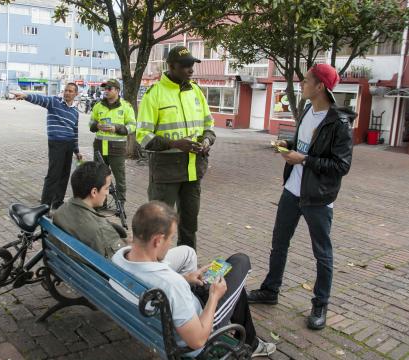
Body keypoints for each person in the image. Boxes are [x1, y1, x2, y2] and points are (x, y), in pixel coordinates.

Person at [247, 64, 355, 330]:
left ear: (320, 87)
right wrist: (289, 148)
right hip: (292, 191)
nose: (302, 85)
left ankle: (320, 304)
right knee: (279, 243)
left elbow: (341, 166)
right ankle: (270, 290)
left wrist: (304, 159)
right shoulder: (307, 110)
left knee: (322, 253)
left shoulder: (338, 124)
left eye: (306, 81)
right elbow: (303, 147)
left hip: (318, 198)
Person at [112, 201, 276, 358]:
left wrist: (185, 279)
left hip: (159, 321)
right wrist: (214, 298)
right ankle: (251, 344)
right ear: (158, 240)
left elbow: (165, 287)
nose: (170, 244)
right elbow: (197, 341)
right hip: (193, 334)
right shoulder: (171, 285)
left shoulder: (119, 258)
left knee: (233, 286)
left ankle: (252, 342)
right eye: (170, 238)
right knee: (241, 261)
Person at [136, 46, 216, 250]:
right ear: (171, 66)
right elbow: (142, 136)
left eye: (192, 65)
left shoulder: (196, 91)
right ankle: (152, 270)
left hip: (193, 171)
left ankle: (188, 271)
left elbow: (209, 126)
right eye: (185, 66)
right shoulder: (154, 94)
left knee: (189, 226)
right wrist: (174, 144)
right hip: (166, 173)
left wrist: (206, 142)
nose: (190, 70)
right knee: (157, 226)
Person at [14, 83, 83, 210]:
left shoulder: (75, 111)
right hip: (56, 143)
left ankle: (58, 203)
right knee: (53, 175)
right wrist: (25, 96)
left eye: (70, 91)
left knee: (64, 176)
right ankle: (45, 206)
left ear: (76, 94)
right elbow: (41, 99)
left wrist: (76, 150)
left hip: (68, 145)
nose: (67, 93)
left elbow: (75, 132)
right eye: (66, 90)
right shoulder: (54, 102)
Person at [52, 161, 126, 258]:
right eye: (107, 188)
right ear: (94, 192)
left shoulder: (60, 212)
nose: (108, 193)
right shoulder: (101, 230)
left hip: (64, 268)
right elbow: (119, 265)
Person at [89, 79, 135, 206]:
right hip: (99, 147)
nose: (106, 91)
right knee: (99, 177)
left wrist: (117, 128)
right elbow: (91, 123)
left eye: (109, 88)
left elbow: (132, 126)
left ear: (117, 90)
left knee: (120, 178)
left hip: (117, 148)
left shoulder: (126, 106)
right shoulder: (98, 105)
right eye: (105, 88)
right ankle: (99, 203)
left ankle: (120, 204)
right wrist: (96, 125)